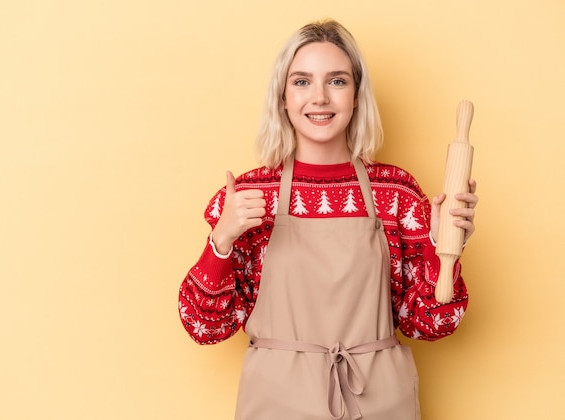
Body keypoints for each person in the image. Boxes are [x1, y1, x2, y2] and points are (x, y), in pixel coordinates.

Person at [178, 19, 478, 420]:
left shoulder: (397, 194)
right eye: (302, 82)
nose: (319, 97)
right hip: (276, 404)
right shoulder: (249, 197)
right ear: (282, 98)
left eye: (336, 81)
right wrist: (222, 241)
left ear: (357, 96)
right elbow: (204, 328)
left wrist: (441, 250)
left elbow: (432, 324)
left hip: (380, 402)